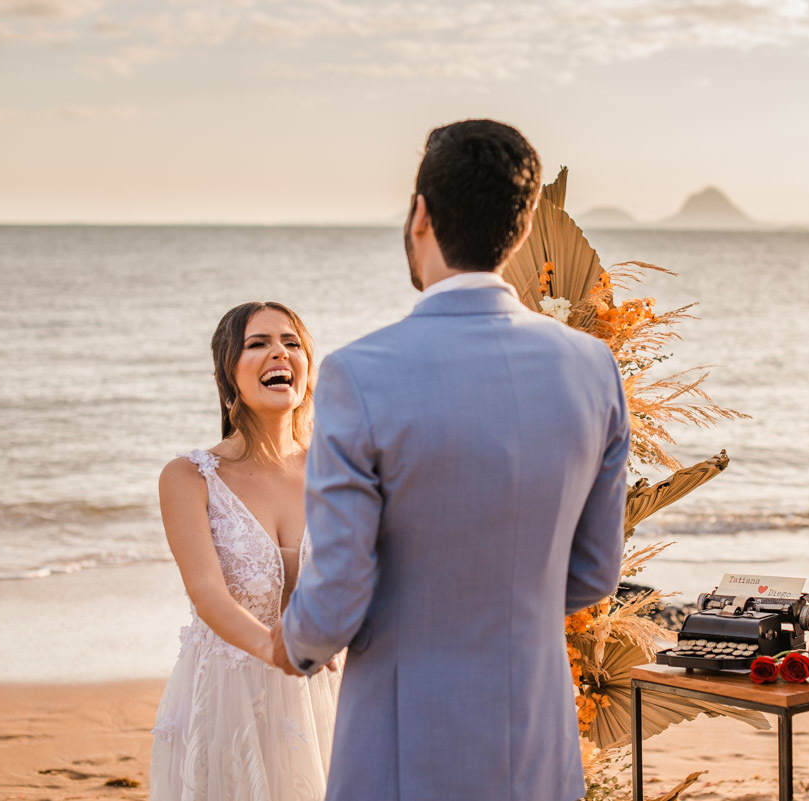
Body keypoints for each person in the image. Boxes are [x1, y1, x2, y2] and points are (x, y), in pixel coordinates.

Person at [270, 119, 630, 801]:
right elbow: (593, 572)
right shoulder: (592, 366)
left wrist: (288, 644)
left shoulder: (357, 374)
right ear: (521, 233)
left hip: (404, 744)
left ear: (420, 216)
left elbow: (337, 594)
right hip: (538, 737)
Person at [151, 301, 340, 801]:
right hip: (225, 697)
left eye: (291, 342)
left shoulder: (340, 469)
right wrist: (280, 652)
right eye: (258, 344)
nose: (279, 352)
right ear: (228, 372)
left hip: (329, 691)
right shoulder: (189, 477)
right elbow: (208, 594)